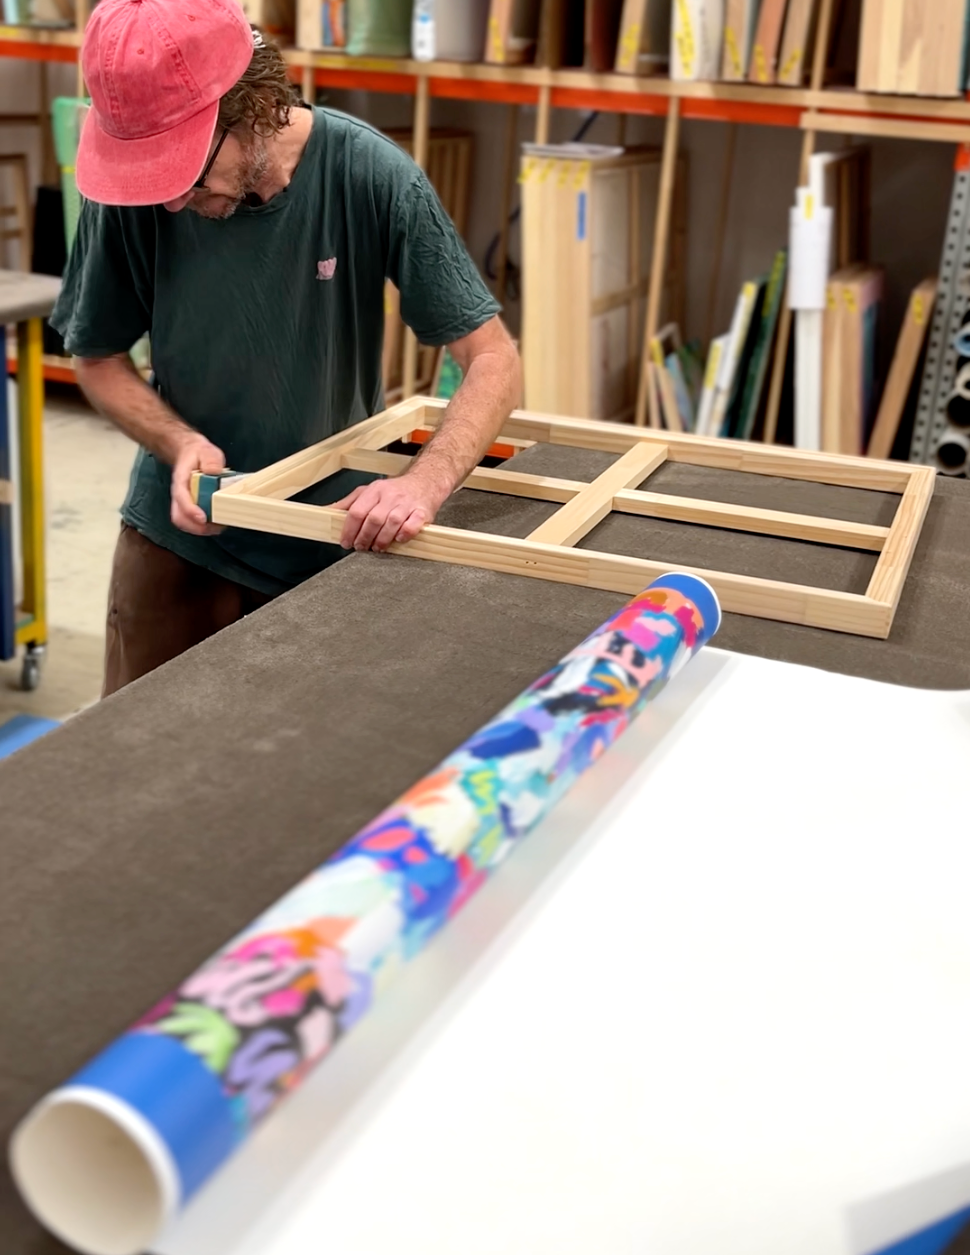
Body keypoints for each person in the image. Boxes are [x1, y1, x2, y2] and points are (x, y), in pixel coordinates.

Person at [52, 0, 522, 697]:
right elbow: (97, 358)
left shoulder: (368, 173)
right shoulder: (139, 195)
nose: (172, 202)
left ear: (257, 106)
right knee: (130, 778)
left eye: (186, 170)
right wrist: (180, 443)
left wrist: (423, 483)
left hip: (334, 535)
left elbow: (494, 360)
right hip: (181, 536)